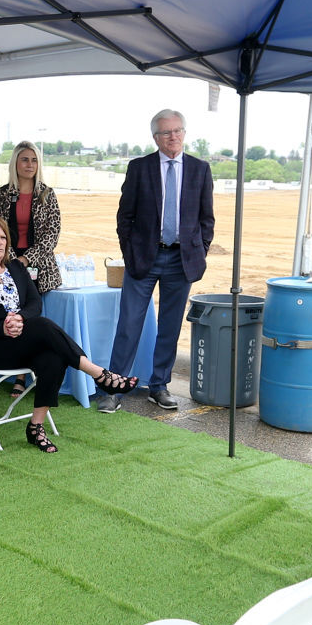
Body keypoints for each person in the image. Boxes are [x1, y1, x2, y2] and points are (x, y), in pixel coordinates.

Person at [0, 214, 135, 452]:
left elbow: (34, 304)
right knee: (42, 325)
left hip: (19, 342)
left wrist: (19, 318)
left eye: (3, 237)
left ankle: (35, 427)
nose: (0, 242)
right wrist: (1, 328)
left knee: (53, 356)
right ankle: (98, 373)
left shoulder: (16, 268)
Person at [98, 108, 214, 414]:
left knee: (170, 327)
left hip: (182, 260)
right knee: (129, 324)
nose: (173, 136)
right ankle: (114, 388)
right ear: (155, 137)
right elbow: (125, 216)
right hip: (144, 259)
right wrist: (130, 251)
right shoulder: (139, 168)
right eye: (166, 132)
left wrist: (199, 249)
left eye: (177, 130)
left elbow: (206, 219)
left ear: (184, 133)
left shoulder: (200, 169)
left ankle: (159, 386)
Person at [0, 140, 63, 293]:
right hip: (6, 262)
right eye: (25, 160)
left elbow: (52, 234)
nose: (30, 164)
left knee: (36, 311)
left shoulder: (47, 194)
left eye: (34, 160)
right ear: (15, 163)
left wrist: (28, 258)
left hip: (41, 267)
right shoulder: (2, 195)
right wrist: (13, 260)